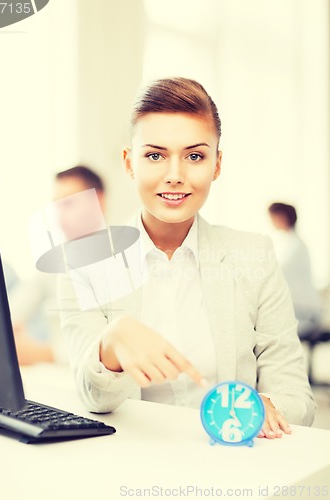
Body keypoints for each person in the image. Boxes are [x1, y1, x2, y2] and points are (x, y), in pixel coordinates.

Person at [58, 77, 316, 439]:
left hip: (234, 463)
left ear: (217, 164)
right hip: (126, 464)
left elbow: (298, 400)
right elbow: (93, 397)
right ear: (129, 163)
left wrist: (265, 406)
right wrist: (110, 346)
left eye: (195, 156)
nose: (175, 176)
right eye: (154, 156)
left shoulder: (253, 255)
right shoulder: (84, 262)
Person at [11, 165, 106, 365]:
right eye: (57, 205)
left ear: (98, 201)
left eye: (69, 203)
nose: (60, 215)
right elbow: (12, 311)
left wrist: (44, 354)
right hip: (51, 379)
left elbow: (108, 352)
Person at [268, 203, 322, 338]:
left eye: (273, 217)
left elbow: (276, 274)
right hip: (298, 308)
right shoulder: (288, 242)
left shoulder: (295, 246)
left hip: (303, 312)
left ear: (282, 217)